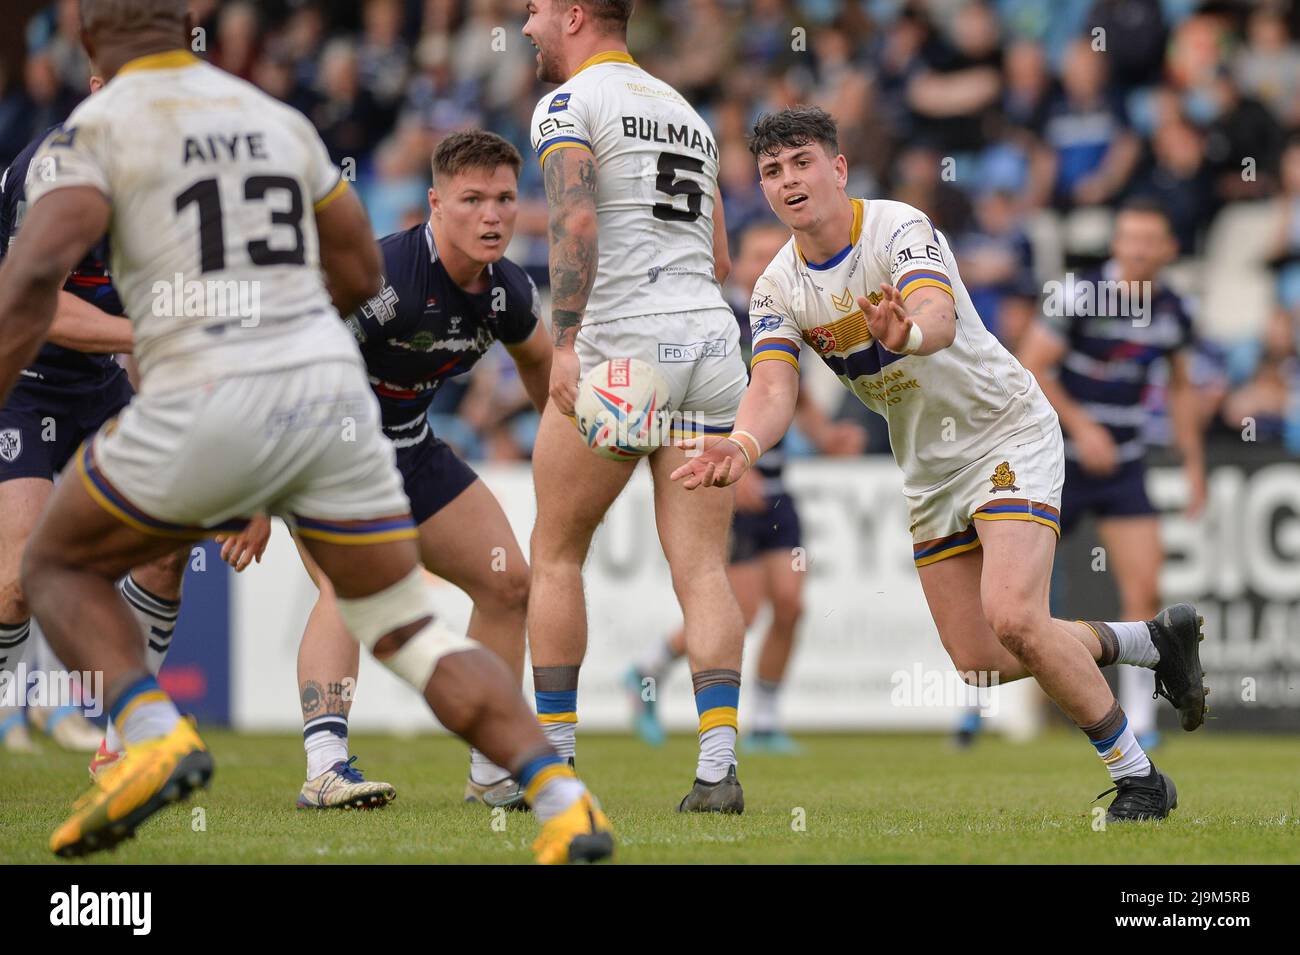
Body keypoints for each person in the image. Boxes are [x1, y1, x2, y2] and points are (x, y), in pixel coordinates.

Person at [0, 0, 610, 864]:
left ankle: (148, 730)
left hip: (221, 387)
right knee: (404, 625)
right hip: (332, 399)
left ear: (93, 46)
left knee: (49, 564)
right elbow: (361, 268)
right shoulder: (274, 119)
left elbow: (28, 285)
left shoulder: (91, 135)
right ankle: (558, 794)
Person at [674, 105, 1207, 822]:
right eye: (772, 170)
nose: (788, 180)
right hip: (928, 470)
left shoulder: (898, 226)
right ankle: (1148, 640)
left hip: (1004, 432)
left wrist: (911, 331)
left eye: (802, 162)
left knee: (1016, 615)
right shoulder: (776, 288)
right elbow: (772, 385)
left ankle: (1140, 778)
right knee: (983, 660)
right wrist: (740, 445)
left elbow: (938, 312)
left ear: (838, 168)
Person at [522, 0, 750, 812]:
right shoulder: (685, 110)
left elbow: (574, 215)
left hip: (624, 348)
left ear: (575, 14)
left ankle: (553, 769)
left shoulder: (569, 103)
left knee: (555, 554)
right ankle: (719, 770)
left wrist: (568, 336)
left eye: (535, 10)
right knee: (704, 568)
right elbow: (721, 253)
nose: (525, 27)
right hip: (714, 346)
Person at [0, 67, 187, 765]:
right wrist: (147, 334)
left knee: (168, 548)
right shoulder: (52, 167)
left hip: (101, 382)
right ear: (96, 79)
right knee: (15, 584)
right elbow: (38, 304)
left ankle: (121, 747)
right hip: (20, 377)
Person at [628, 221, 865, 752]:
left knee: (791, 604)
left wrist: (824, 435)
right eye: (756, 253)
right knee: (744, 607)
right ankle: (647, 671)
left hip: (779, 487)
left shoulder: (786, 315)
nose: (765, 263)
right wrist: (743, 465)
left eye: (773, 253)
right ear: (738, 259)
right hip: (731, 480)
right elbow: (698, 400)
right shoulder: (719, 323)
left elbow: (788, 391)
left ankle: (765, 718)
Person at [1018, 198, 1207, 751]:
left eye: (1151, 240)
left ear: (1169, 249)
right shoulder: (1077, 293)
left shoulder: (1173, 309)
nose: (1140, 249)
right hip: (1060, 461)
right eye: (1130, 237)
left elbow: (1179, 387)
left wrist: (1194, 465)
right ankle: (975, 711)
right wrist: (1082, 428)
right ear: (1117, 244)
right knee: (1020, 590)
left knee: (1144, 588)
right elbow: (1031, 365)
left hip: (1124, 464)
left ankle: (1141, 725)